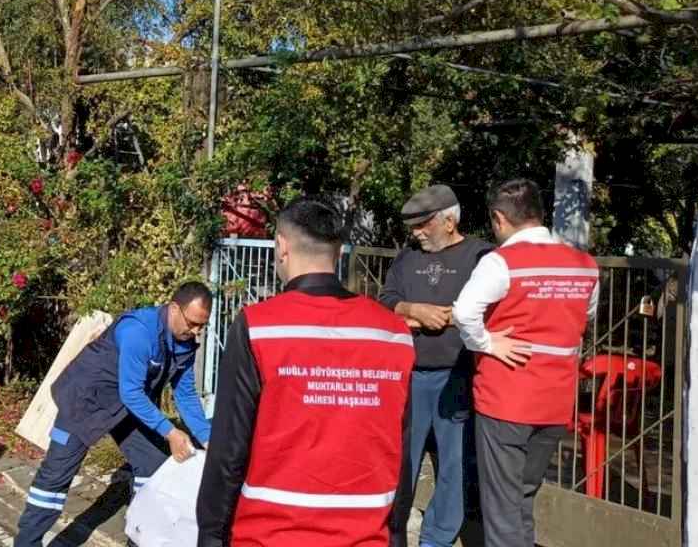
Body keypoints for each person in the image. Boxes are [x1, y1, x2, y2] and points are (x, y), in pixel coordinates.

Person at [198, 199, 415, 547]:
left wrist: (210, 534)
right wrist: (398, 533)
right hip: (365, 533)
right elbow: (402, 449)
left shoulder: (259, 327)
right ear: (339, 251)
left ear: (281, 246)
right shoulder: (393, 334)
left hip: (270, 533)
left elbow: (229, 451)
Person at [452, 179, 599, 547]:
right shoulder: (584, 265)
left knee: (502, 507)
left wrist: (487, 343)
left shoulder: (500, 262)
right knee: (523, 497)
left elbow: (464, 313)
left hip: (506, 399)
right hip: (555, 402)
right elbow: (586, 315)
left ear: (499, 218)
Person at [13, 282, 214, 547]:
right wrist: (170, 432)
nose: (196, 332)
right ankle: (27, 543)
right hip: (85, 401)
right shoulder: (138, 331)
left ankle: (140, 537)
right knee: (54, 478)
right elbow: (131, 392)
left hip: (127, 409)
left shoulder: (185, 343)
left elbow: (185, 395)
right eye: (192, 323)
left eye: (202, 326)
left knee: (153, 467)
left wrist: (208, 439)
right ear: (174, 308)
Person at [378, 184, 493, 547]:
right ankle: (391, 534)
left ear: (448, 220)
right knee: (399, 462)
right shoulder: (407, 257)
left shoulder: (481, 256)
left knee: (454, 467)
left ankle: (436, 540)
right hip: (407, 375)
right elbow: (386, 300)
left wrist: (454, 317)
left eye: (423, 224)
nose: (416, 233)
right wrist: (413, 311)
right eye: (413, 226)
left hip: (458, 375)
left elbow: (492, 307)